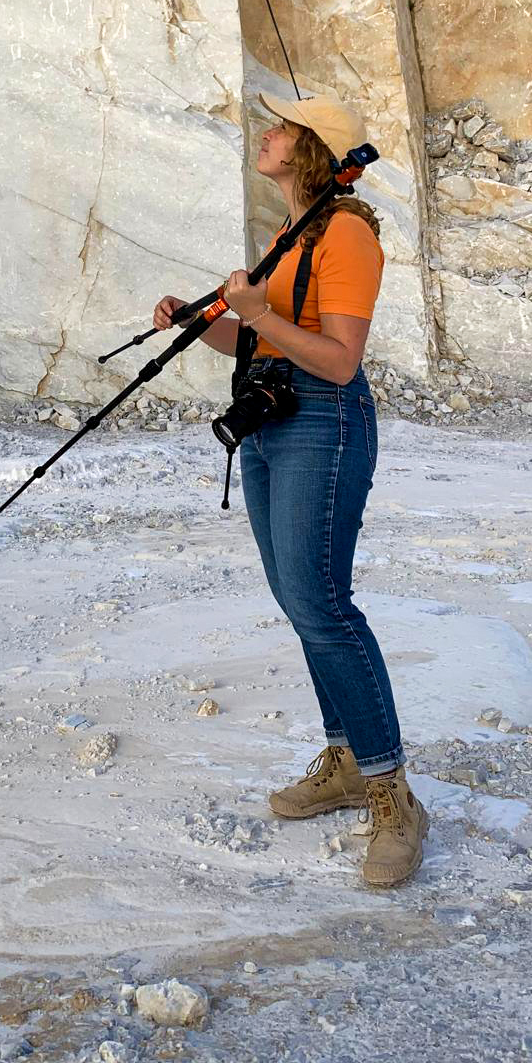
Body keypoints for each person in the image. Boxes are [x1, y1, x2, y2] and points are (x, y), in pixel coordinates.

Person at [153, 92, 428, 887]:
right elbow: (260, 340)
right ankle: (345, 761)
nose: (267, 133)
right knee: (300, 599)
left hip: (323, 420)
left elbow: (339, 360)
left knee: (323, 605)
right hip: (272, 417)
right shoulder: (292, 233)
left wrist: (254, 313)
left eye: (282, 126)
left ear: (310, 148)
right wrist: (199, 321)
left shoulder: (347, 234)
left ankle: (393, 797)